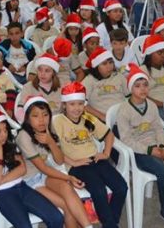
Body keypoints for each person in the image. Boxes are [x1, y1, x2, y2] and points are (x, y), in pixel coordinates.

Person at [115, 65, 164, 228]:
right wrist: (150, 150)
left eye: (145, 85)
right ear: (130, 89)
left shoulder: (150, 105)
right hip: (139, 152)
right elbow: (126, 140)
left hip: (157, 146)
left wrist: (162, 146)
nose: (143, 89)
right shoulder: (124, 110)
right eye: (137, 86)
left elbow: (158, 128)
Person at [0, 105, 64, 228]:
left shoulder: (8, 143)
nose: (4, 135)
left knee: (56, 217)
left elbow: (22, 169)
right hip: (2, 194)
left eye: (5, 130)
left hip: (21, 187)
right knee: (25, 226)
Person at [53, 82, 127, 228]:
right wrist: (73, 162)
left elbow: (109, 135)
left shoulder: (87, 118)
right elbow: (53, 148)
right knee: (99, 190)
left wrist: (106, 153)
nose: (77, 108)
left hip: (96, 160)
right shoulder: (58, 121)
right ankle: (111, 224)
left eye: (80, 104)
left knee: (121, 187)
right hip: (77, 166)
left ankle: (110, 223)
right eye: (72, 104)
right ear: (64, 105)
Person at [16, 96, 93, 228]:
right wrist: (69, 177)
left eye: (45, 115)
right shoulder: (24, 136)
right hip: (30, 181)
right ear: (27, 118)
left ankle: (88, 226)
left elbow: (59, 160)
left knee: (67, 189)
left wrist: (51, 142)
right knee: (66, 206)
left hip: (46, 174)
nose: (41, 120)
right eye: (35, 116)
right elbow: (42, 168)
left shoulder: (49, 129)